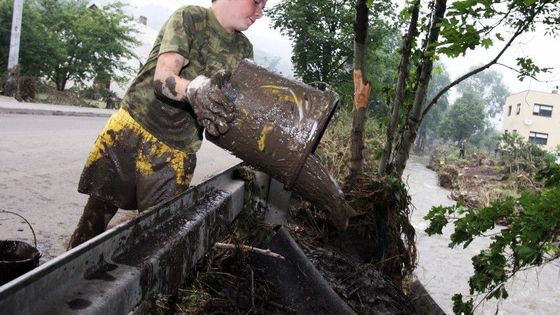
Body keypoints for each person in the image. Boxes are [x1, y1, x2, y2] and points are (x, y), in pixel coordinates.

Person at [67, 0, 266, 249]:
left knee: (157, 239)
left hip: (176, 150)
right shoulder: (189, 18)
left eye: (265, 4)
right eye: (257, 1)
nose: (260, 11)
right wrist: (194, 89)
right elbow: (163, 78)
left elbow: (233, 110)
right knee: (95, 217)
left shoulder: (244, 52)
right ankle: (63, 279)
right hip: (133, 127)